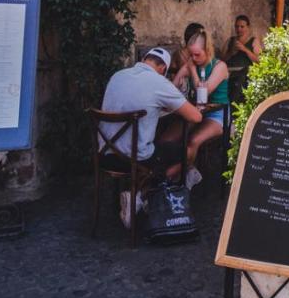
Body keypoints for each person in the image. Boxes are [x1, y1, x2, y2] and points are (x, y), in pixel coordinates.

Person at [98, 47, 204, 223]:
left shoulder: (118, 76)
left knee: (157, 147)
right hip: (134, 158)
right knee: (187, 152)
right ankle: (140, 196)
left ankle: (141, 195)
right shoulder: (159, 82)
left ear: (145, 59)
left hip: (105, 155)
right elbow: (196, 116)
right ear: (163, 69)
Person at [171, 27, 229, 190]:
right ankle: (187, 171)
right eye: (191, 54)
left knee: (193, 141)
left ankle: (172, 179)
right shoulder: (192, 63)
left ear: (208, 50)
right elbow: (172, 88)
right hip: (196, 113)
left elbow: (205, 91)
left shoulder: (220, 66)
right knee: (170, 138)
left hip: (218, 115)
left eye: (197, 54)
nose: (193, 58)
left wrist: (191, 70)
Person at [223, 14, 260, 107]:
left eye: (242, 27)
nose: (239, 29)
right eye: (237, 26)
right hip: (230, 75)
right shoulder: (230, 41)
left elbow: (259, 61)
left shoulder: (253, 41)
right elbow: (222, 60)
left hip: (245, 76)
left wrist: (245, 49)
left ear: (248, 27)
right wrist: (231, 53)